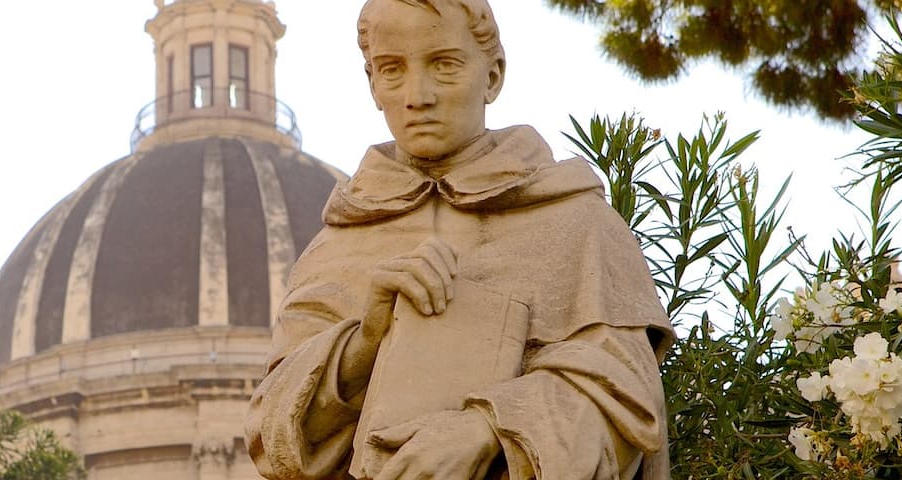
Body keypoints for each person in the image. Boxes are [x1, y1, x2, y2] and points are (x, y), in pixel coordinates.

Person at [244, 1, 674, 478]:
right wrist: (364, 342)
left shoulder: (578, 224)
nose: (417, 95)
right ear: (372, 84)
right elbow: (270, 434)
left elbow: (627, 397)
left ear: (492, 76)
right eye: (392, 69)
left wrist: (488, 431)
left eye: (444, 65)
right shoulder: (336, 245)